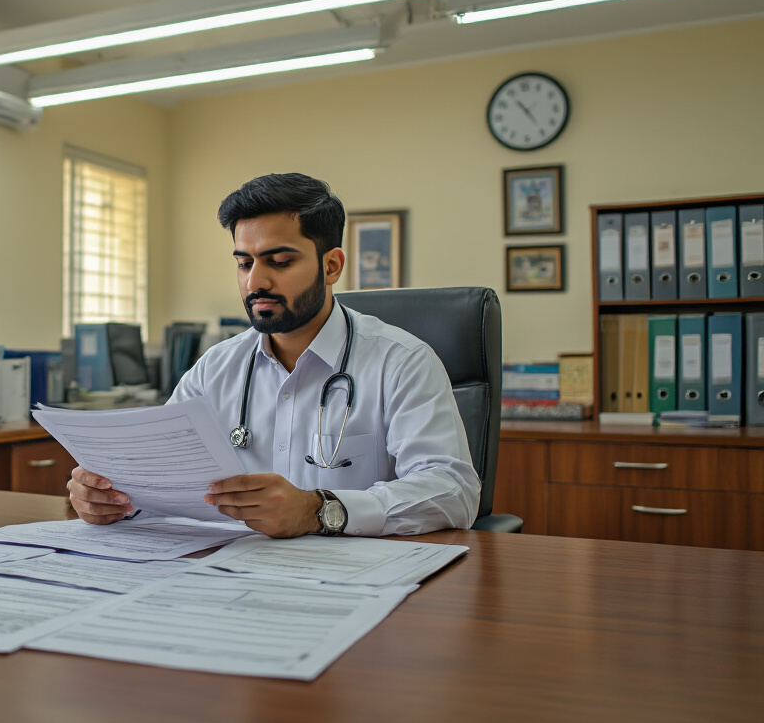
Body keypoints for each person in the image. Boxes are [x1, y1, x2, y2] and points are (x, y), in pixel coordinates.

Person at [68, 172, 480, 538]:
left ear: (332, 266)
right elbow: (160, 478)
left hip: (352, 582)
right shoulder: (215, 368)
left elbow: (453, 491)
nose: (255, 282)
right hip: (225, 579)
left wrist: (318, 511)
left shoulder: (401, 361)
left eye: (279, 261)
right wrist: (113, 498)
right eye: (244, 263)